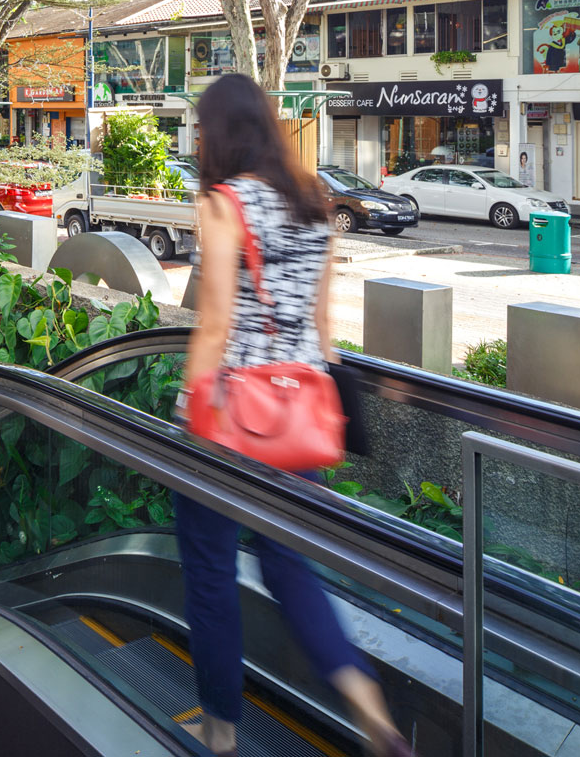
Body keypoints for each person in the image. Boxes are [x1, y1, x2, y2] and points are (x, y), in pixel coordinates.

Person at [179, 74, 414, 757]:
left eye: (200, 128)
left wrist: (190, 422)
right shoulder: (314, 198)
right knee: (291, 564)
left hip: (234, 419)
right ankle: (371, 708)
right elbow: (321, 326)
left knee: (210, 566)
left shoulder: (225, 204)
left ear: (218, 132)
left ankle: (220, 727)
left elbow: (216, 324)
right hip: (302, 416)